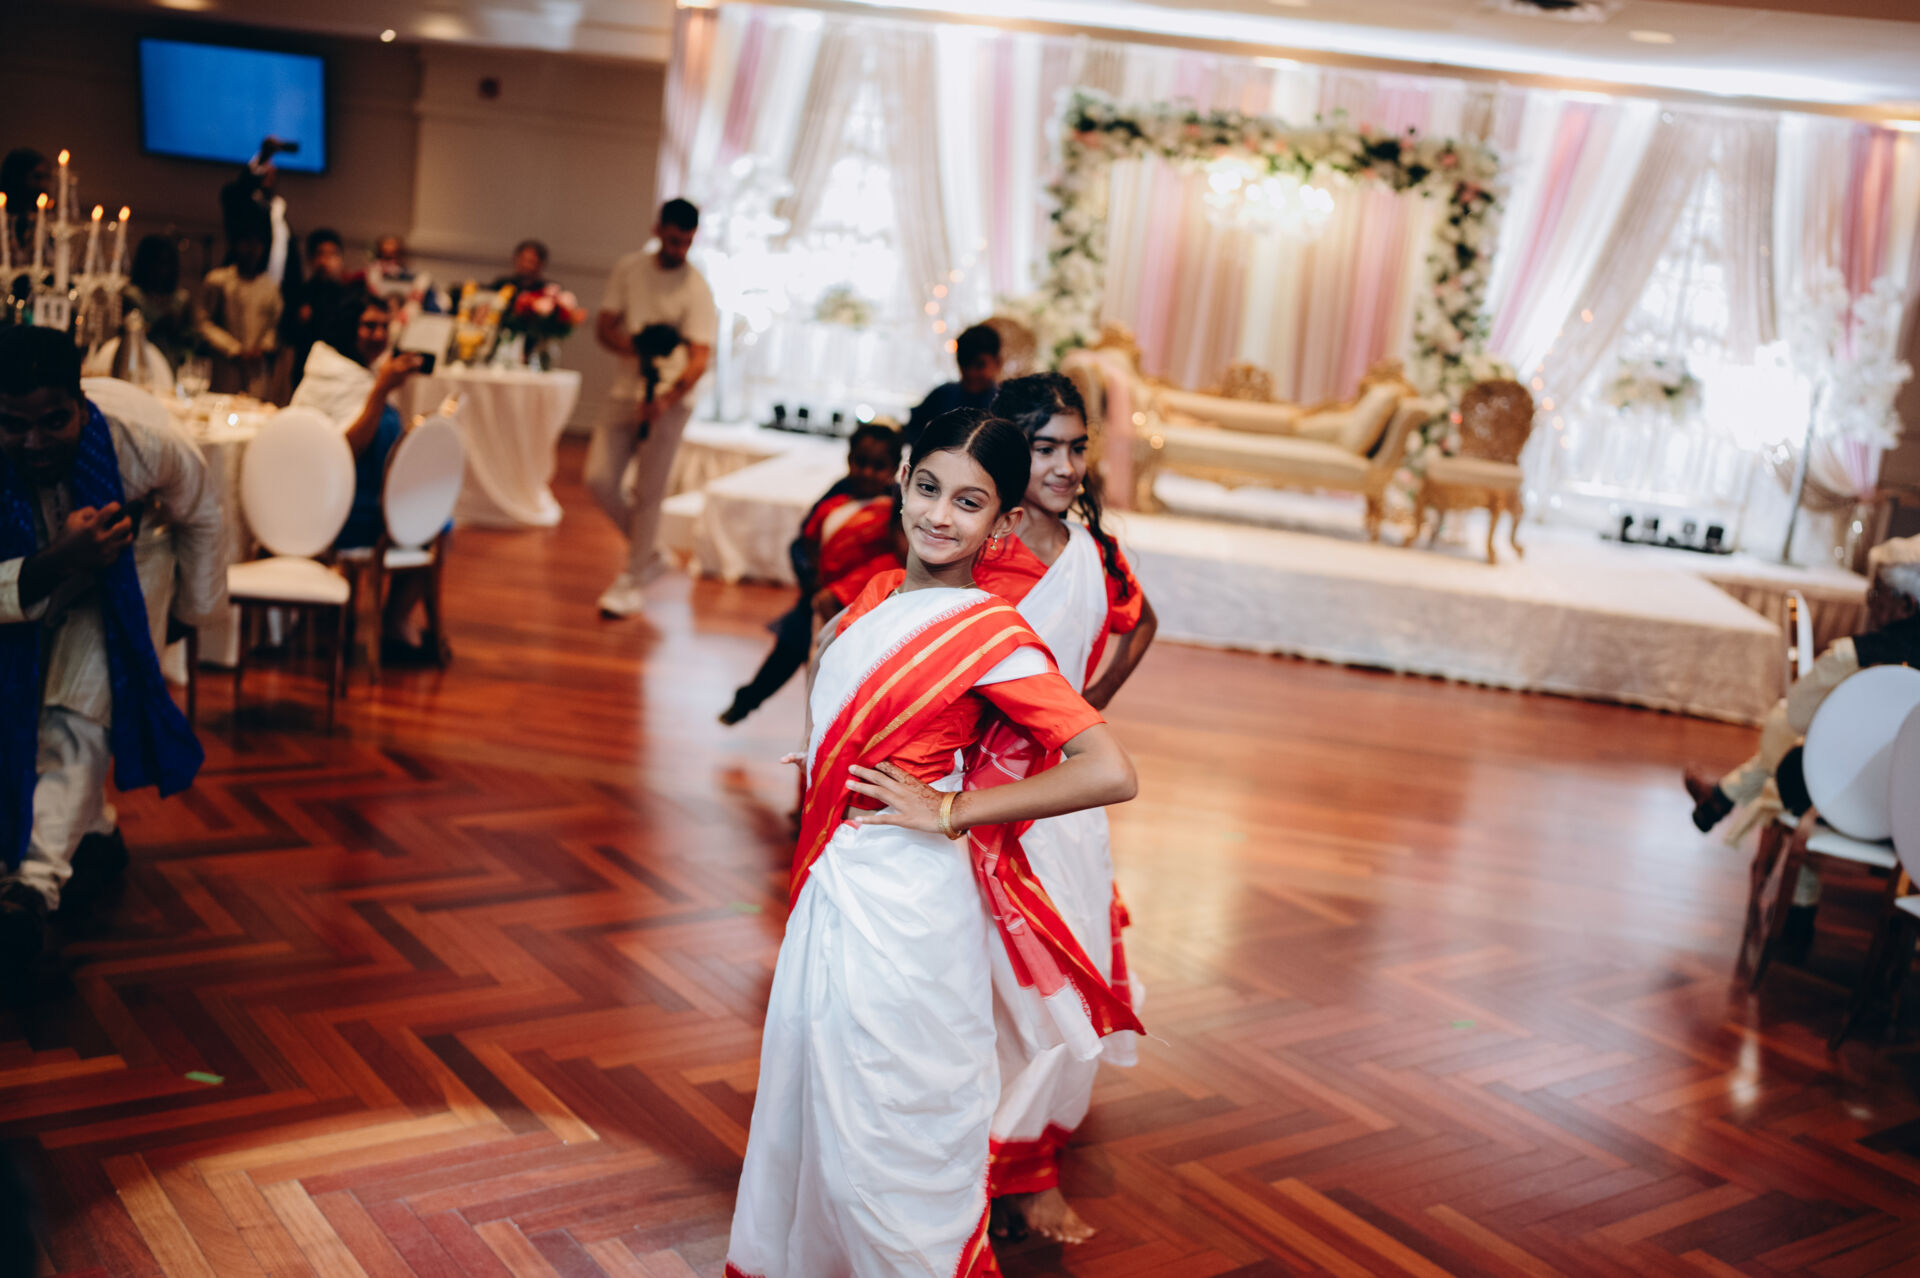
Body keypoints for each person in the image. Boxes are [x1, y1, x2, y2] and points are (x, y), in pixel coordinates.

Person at [725, 408, 1143, 1278]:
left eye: (969, 502)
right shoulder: (877, 595)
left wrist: (951, 809)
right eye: (927, 488)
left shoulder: (990, 633)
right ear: (903, 479)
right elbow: (852, 695)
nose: (939, 516)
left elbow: (1109, 769)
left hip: (911, 907)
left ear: (1003, 521)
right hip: (837, 882)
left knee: (889, 1123)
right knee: (821, 1101)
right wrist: (829, 746)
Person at [974, 372, 1158, 1246]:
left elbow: (1141, 622)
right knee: (998, 987)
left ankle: (1027, 1164)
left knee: (1061, 975)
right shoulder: (983, 545)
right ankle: (980, 1167)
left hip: (1070, 804)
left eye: (1077, 448)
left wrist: (1088, 707)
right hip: (991, 798)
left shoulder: (1092, 550)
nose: (1066, 465)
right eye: (1045, 447)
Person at [0, 327, 224, 969]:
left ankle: (29, 890)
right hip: (31, 568)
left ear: (81, 406)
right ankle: (94, 831)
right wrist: (57, 560)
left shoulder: (141, 440)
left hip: (136, 554)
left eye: (54, 421)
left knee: (77, 708)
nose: (35, 443)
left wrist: (186, 616)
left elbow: (204, 514)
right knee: (26, 705)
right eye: (13, 426)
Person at [719, 422, 905, 727]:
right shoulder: (839, 494)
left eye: (878, 466)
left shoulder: (897, 504)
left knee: (838, 676)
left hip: (863, 607)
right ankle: (749, 700)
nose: (867, 472)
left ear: (894, 468)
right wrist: (813, 583)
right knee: (789, 653)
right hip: (819, 594)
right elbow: (805, 540)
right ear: (849, 459)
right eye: (860, 462)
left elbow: (899, 556)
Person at [585, 198, 716, 617]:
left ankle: (631, 578)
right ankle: (651, 554)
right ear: (657, 229)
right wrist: (637, 346)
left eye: (686, 242)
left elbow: (700, 356)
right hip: (625, 390)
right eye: (673, 239)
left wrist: (666, 399)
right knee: (598, 478)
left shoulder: (697, 288)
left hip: (669, 402)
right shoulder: (629, 269)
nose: (678, 248)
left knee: (649, 491)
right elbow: (605, 326)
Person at [289, 301, 433, 657]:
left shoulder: (357, 373)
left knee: (435, 515)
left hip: (365, 496)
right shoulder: (332, 377)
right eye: (369, 325)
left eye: (385, 326)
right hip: (339, 508)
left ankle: (391, 620)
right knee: (432, 523)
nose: (379, 335)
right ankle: (392, 624)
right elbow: (343, 452)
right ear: (346, 326)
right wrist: (381, 391)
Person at [194, 216, 282, 401]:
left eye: (257, 244)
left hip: (256, 369)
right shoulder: (219, 281)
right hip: (225, 367)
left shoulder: (269, 287)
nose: (251, 250)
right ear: (235, 245)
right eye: (246, 243)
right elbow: (203, 322)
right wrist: (233, 349)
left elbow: (275, 324)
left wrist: (263, 348)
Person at [905, 324, 1003, 449]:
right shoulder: (942, 395)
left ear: (998, 362)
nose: (971, 373)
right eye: (965, 364)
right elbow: (913, 430)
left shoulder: (1003, 406)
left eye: (979, 365)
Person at [120, 235, 195, 373]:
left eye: (167, 263)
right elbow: (123, 336)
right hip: (137, 363)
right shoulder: (133, 296)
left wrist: (177, 330)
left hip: (173, 364)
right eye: (157, 263)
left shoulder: (181, 299)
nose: (162, 270)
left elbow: (191, 340)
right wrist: (155, 327)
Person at [0, 150, 51, 282]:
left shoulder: (45, 218)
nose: (44, 184)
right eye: (37, 177)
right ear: (18, 177)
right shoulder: (5, 219)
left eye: (47, 177)